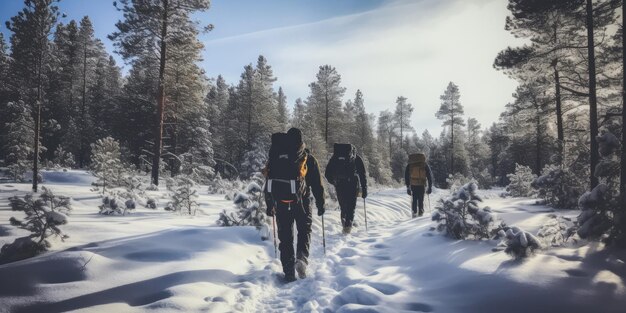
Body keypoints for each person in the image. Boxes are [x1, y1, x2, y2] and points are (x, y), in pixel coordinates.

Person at [264, 128, 325, 283]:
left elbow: (269, 180)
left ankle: (289, 271)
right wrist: (321, 202)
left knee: (285, 238)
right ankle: (302, 260)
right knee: (304, 231)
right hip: (302, 202)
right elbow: (317, 184)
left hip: (281, 202)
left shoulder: (275, 156)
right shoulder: (306, 157)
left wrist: (269, 203)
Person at [325, 143, 367, 235]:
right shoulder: (356, 158)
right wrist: (364, 189)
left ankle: (345, 223)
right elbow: (362, 174)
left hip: (340, 184)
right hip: (352, 184)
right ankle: (347, 226)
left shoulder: (335, 158)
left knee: (343, 206)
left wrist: (334, 182)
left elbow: (327, 173)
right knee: (351, 206)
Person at [405, 153, 433, 218]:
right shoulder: (424, 164)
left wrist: (408, 187)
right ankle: (421, 214)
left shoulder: (410, 165)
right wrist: (430, 187)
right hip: (421, 184)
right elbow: (429, 176)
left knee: (414, 200)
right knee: (421, 200)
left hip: (413, 185)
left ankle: (414, 215)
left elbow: (406, 176)